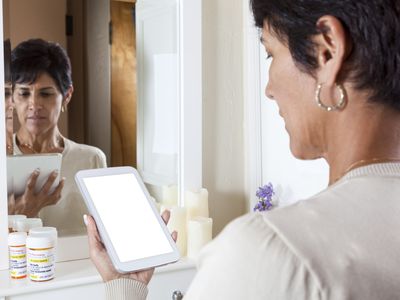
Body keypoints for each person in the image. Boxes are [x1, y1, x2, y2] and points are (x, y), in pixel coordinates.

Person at [86, 0, 400, 299]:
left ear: (326, 51)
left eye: (270, 54)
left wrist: (123, 288)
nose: (269, 89)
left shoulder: (271, 253)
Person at [10, 39, 107, 234]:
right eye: (24, 93)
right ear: (11, 97)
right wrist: (24, 213)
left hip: (82, 264)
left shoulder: (91, 159)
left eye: (45, 94)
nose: (34, 104)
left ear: (67, 95)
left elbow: (106, 233)